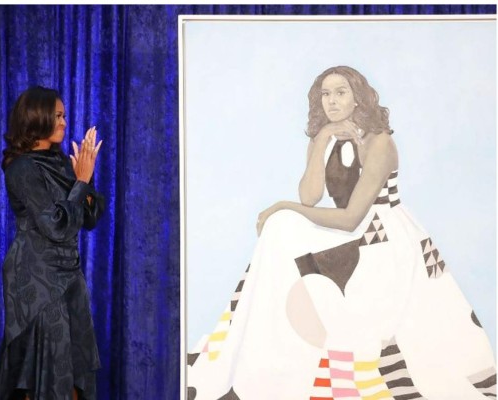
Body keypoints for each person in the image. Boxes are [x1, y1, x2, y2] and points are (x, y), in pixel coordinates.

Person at [187, 66, 496, 399]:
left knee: (283, 220)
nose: (331, 101)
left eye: (340, 92)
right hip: (345, 230)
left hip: (381, 235)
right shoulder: (327, 137)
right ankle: (263, 346)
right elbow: (309, 197)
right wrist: (321, 140)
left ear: (358, 96)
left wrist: (283, 206)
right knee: (280, 228)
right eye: (325, 94)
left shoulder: (379, 142)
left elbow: (350, 217)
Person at [0, 86, 104, 400]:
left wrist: (86, 178)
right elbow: (55, 224)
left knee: (73, 376)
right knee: (41, 374)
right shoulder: (21, 169)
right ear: (38, 117)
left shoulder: (62, 164)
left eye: (64, 116)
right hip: (37, 283)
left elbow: (91, 217)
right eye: (57, 115)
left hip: (70, 281)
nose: (64, 122)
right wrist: (80, 181)